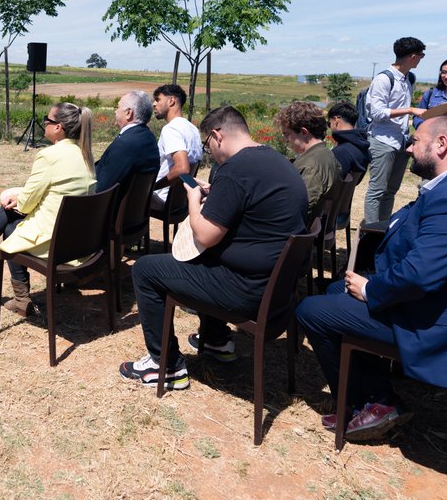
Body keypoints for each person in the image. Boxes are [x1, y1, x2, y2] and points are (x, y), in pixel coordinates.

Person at [295, 115, 447, 440]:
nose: (409, 148)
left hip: (441, 323)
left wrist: (372, 288)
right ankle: (376, 395)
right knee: (335, 289)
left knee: (311, 311)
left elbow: (418, 276)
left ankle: (368, 404)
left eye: (415, 141)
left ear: (441, 144)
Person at [118, 106, 307, 389]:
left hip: (246, 290)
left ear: (217, 136)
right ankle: (217, 340)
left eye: (207, 145)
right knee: (207, 260)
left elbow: (205, 235)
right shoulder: (276, 160)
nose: (210, 152)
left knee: (146, 270)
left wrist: (194, 198)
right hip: (276, 289)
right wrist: (216, 194)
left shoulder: (236, 169)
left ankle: (165, 364)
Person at [0, 102, 95, 317]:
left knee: (10, 224)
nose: (45, 125)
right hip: (78, 242)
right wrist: (21, 197)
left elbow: (28, 203)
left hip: (55, 243)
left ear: (58, 127)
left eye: (47, 121)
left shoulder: (49, 156)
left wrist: (17, 198)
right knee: (11, 216)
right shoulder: (86, 155)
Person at [363, 37, 425, 223]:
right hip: (383, 140)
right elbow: (377, 113)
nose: (421, 59)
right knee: (377, 190)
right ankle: (371, 234)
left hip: (399, 141)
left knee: (390, 191)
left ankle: (382, 228)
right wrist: (411, 110)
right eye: (421, 56)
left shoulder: (408, 79)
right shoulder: (384, 79)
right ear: (413, 57)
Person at [276, 101, 340, 223]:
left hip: (296, 235)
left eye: (287, 134)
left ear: (304, 132)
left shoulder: (311, 166)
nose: (285, 140)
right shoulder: (326, 154)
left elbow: (300, 208)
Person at [148, 84, 202, 211]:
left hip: (163, 198)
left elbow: (182, 169)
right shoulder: (193, 129)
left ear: (171, 101)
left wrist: (154, 187)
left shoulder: (171, 129)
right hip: (182, 200)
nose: (154, 104)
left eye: (158, 99)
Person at [94, 91, 158, 194]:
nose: (115, 111)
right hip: (135, 208)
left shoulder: (125, 145)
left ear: (128, 113)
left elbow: (102, 188)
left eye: (118, 107)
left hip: (110, 207)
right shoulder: (148, 137)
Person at [327, 102, 371, 178]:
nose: (329, 127)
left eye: (329, 123)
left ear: (336, 120)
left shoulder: (341, 152)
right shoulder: (363, 149)